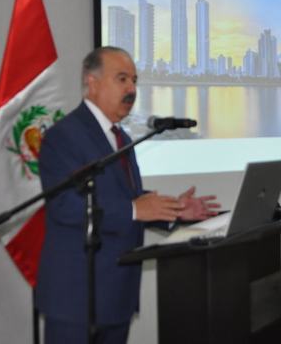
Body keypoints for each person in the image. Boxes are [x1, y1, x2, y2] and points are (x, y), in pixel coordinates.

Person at [36, 46, 219, 344]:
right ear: (92, 82)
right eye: (121, 79)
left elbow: (127, 196)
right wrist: (135, 209)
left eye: (134, 80)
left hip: (117, 294)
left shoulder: (121, 137)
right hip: (76, 296)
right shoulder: (64, 135)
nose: (131, 89)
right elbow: (64, 206)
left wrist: (173, 209)